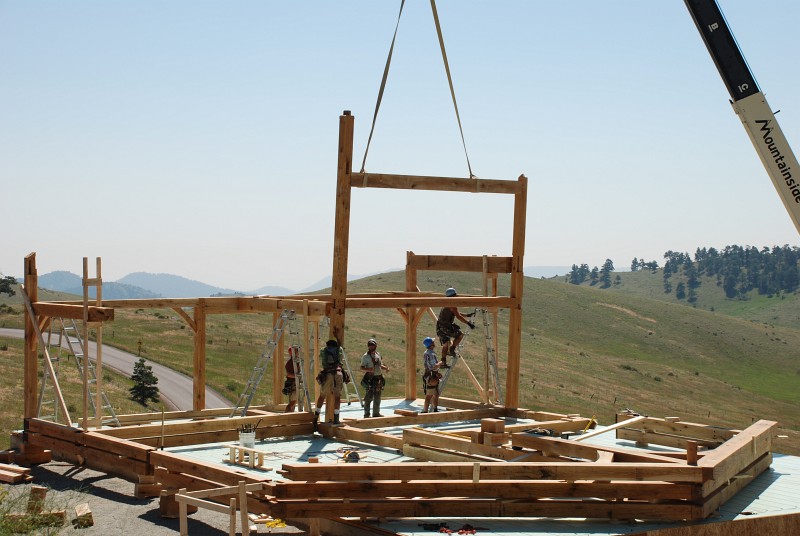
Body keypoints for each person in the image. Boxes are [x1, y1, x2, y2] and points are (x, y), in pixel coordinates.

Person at [436, 287, 476, 364]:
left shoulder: (446, 304)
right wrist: (468, 323)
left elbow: (456, 313)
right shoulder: (452, 304)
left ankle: (443, 362)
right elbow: (458, 316)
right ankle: (452, 349)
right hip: (446, 327)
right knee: (460, 335)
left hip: (440, 327)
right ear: (453, 296)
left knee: (445, 344)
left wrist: (467, 315)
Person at [313, 339, 347, 428]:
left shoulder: (323, 350)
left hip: (327, 374)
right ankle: (336, 418)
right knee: (337, 396)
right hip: (338, 373)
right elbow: (341, 350)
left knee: (322, 396)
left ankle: (315, 418)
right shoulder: (338, 350)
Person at [360, 338, 389, 418]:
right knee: (368, 397)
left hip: (378, 378)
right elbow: (362, 367)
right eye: (370, 345)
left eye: (372, 345)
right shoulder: (365, 356)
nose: (371, 347)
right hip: (370, 379)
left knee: (377, 397)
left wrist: (385, 368)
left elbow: (379, 365)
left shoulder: (378, 354)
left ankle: (376, 413)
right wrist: (369, 369)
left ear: (375, 346)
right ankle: (367, 414)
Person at [421, 336, 444, 413]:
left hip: (431, 376)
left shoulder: (426, 353)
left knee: (435, 394)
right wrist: (441, 362)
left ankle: (434, 409)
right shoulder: (430, 354)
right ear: (431, 344)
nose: (434, 343)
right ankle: (425, 411)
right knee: (430, 395)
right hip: (432, 376)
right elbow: (434, 366)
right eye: (433, 342)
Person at [282, 348, 298, 413]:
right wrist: (297, 376)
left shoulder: (296, 362)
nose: (298, 353)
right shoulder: (290, 363)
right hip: (292, 383)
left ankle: (290, 414)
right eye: (296, 352)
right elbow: (288, 375)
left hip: (294, 383)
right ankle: (286, 415)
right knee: (292, 402)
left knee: (293, 402)